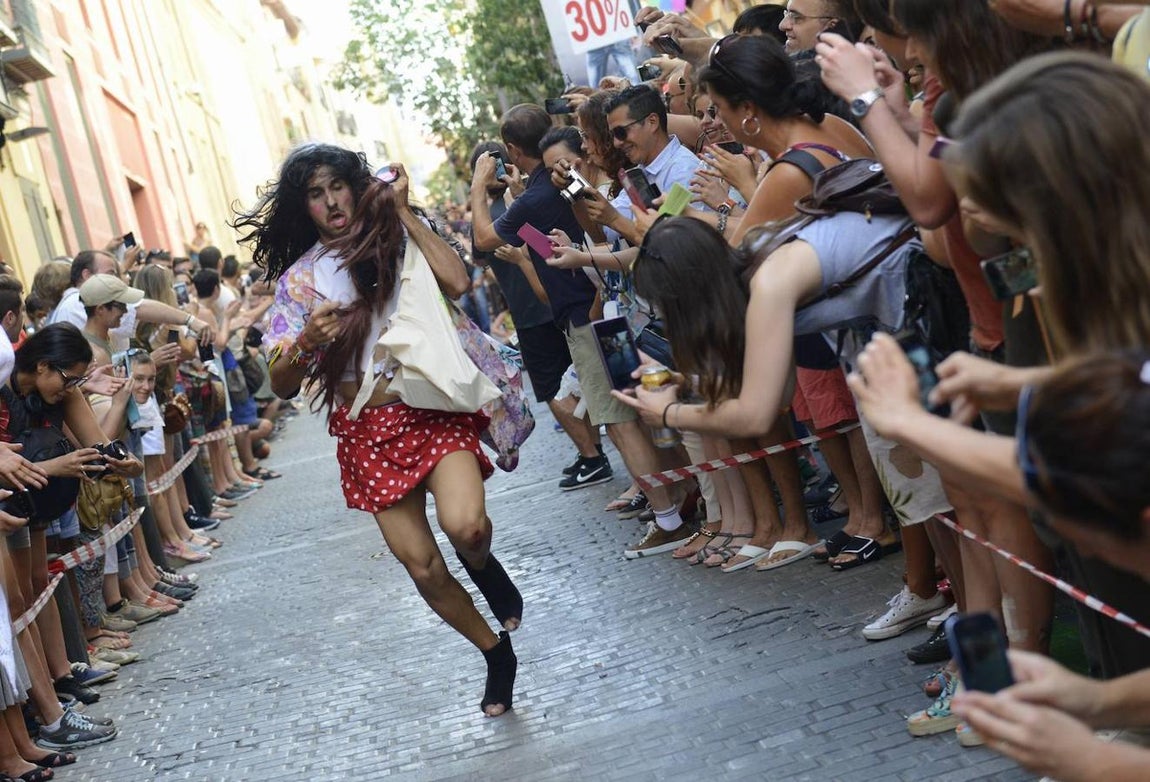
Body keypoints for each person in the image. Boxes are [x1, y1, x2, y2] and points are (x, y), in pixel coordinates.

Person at [237, 142, 522, 717]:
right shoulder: (300, 282)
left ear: (356, 186)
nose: (331, 202)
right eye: (315, 194)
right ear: (303, 206)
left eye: (337, 186)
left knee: (467, 527)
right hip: (366, 428)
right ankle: (496, 654)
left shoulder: (395, 237)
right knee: (423, 566)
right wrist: (306, 342)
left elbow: (458, 282)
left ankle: (483, 564)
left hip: (428, 407)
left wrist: (405, 212)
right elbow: (282, 383)